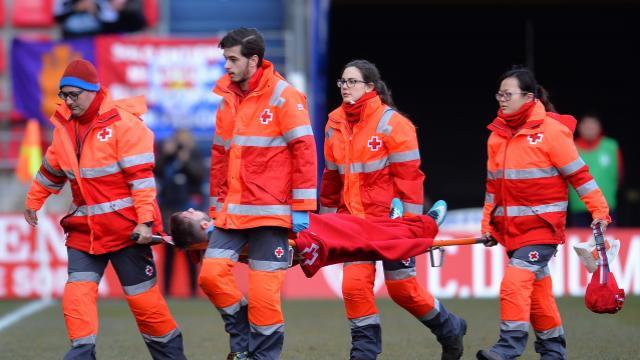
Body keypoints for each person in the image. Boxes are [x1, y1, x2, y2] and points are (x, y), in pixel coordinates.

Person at [23, 59, 186, 360]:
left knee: (144, 304)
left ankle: (171, 356)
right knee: (77, 294)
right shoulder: (63, 129)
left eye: (74, 94)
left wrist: (146, 222)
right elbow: (50, 171)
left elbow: (141, 180)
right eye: (64, 95)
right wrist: (34, 201)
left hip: (127, 230)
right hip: (85, 231)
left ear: (93, 90)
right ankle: (82, 354)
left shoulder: (124, 124)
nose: (68, 101)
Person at [319, 59, 466, 360]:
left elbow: (410, 181)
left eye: (352, 82)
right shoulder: (334, 122)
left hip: (391, 224)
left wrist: (410, 228)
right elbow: (331, 177)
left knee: (403, 290)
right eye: (342, 82)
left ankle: (450, 329)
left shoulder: (394, 124)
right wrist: (324, 221)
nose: (345, 87)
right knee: (354, 287)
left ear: (370, 87)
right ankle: (364, 354)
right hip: (353, 225)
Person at [198, 28, 317, 360]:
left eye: (233, 59)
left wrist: (303, 207)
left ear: (254, 60)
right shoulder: (228, 100)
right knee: (210, 275)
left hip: (271, 211)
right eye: (225, 59)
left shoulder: (284, 96)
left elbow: (304, 151)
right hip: (232, 213)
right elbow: (221, 157)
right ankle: (241, 328)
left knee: (265, 298)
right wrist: (215, 209)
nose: (227, 66)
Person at [477, 66, 611, 360]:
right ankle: (553, 351)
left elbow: (581, 177)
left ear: (529, 97)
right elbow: (492, 189)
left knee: (514, 282)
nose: (501, 99)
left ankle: (508, 346)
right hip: (511, 231)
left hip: (542, 230)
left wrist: (600, 211)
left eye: (508, 94)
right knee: (539, 296)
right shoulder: (496, 136)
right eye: (499, 93)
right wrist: (487, 224)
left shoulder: (551, 132)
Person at [168, 199, 447, 279]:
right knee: (366, 237)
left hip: (303, 232)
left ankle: (396, 224)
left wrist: (167, 237)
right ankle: (427, 224)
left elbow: (190, 245)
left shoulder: (214, 243)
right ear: (204, 224)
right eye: (189, 213)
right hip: (307, 233)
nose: (191, 208)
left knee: (363, 229)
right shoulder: (226, 231)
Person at [155, 128, 204, 297]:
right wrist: (167, 154)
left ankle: (192, 291)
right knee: (169, 252)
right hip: (169, 209)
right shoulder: (169, 157)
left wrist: (187, 160)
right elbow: (156, 171)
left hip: (187, 209)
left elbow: (199, 176)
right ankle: (167, 290)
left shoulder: (193, 155)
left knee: (191, 251)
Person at [568, 113, 623, 227]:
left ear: (599, 127)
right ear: (579, 127)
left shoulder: (611, 146)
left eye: (593, 125)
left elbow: (620, 175)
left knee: (607, 242)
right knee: (579, 243)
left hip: (606, 207)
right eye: (586, 125)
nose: (590, 129)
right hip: (579, 207)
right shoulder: (570, 146)